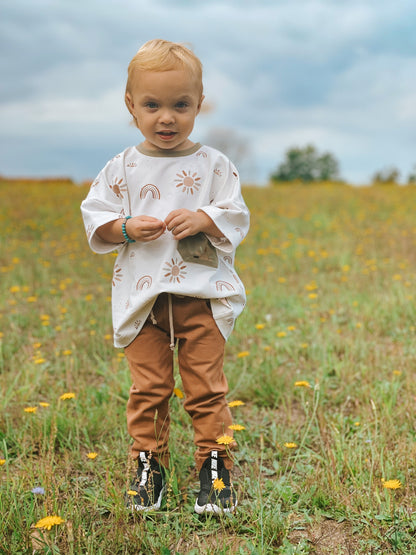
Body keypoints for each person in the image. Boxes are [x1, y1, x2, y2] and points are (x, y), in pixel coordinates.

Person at [81, 39, 249, 514]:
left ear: (199, 103)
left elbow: (235, 215)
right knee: (149, 387)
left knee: (205, 386)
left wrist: (204, 218)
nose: (167, 118)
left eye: (181, 105)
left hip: (202, 297)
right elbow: (97, 219)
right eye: (152, 105)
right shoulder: (122, 168)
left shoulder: (215, 165)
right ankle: (147, 463)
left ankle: (214, 465)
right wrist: (126, 227)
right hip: (143, 300)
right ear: (131, 106)